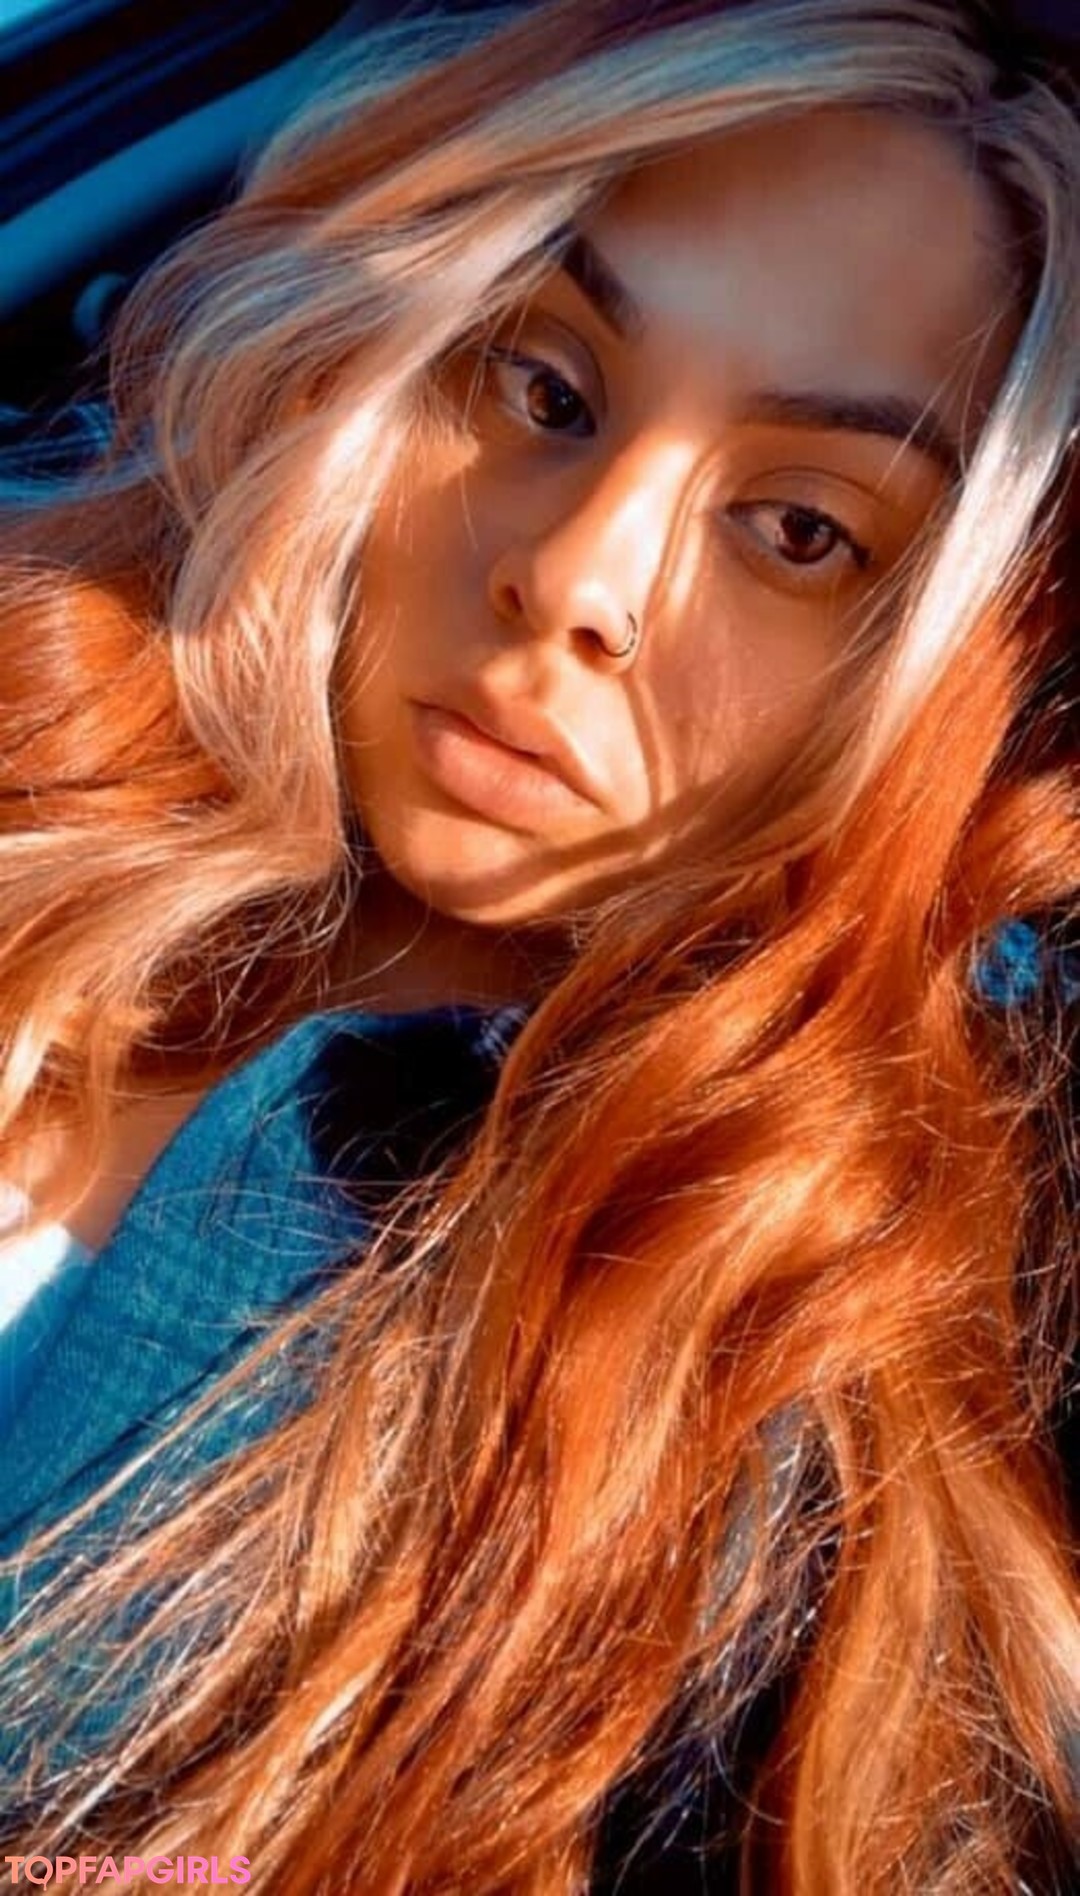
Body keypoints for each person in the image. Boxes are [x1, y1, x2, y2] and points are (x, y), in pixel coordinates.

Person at [0, 0, 1077, 1888]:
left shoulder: (767, 1403)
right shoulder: (45, 717)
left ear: (950, 687)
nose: (577, 578)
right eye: (547, 391)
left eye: (801, 530)